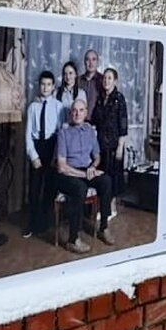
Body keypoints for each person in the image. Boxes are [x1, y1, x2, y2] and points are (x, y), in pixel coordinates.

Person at [55, 99, 115, 253]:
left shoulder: (89, 131)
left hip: (85, 170)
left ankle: (103, 227)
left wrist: (93, 168)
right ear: (70, 113)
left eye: (81, 110)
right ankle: (73, 239)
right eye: (74, 110)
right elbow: (61, 167)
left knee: (106, 181)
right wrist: (84, 174)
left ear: (86, 112)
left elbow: (97, 156)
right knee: (80, 188)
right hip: (68, 173)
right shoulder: (63, 132)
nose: (77, 113)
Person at [23, 71, 61, 238]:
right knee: (34, 189)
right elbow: (28, 134)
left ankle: (45, 224)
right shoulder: (33, 107)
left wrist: (56, 155)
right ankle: (32, 224)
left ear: (53, 87)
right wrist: (33, 156)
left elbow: (61, 132)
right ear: (39, 86)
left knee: (50, 188)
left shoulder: (59, 106)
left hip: (52, 146)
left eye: (48, 84)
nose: (45, 87)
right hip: (38, 147)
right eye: (42, 84)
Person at [91, 67, 129, 219]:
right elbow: (94, 120)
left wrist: (120, 146)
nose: (106, 81)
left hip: (114, 145)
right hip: (101, 145)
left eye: (109, 78)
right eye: (105, 78)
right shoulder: (100, 98)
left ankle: (111, 209)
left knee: (113, 177)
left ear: (115, 81)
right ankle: (104, 208)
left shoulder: (119, 98)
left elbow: (124, 124)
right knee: (103, 177)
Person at [81, 49, 103, 119]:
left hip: (98, 122)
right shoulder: (77, 81)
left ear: (97, 62)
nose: (91, 63)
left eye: (93, 59)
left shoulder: (103, 80)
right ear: (84, 62)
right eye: (88, 60)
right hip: (80, 122)